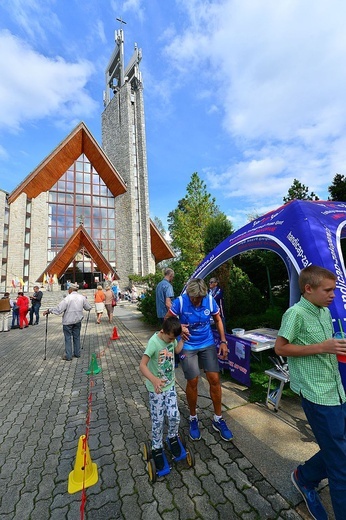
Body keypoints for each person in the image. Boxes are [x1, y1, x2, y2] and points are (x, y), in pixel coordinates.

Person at [275, 265, 346, 520]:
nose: (332, 295)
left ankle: (304, 477)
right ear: (308, 288)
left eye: (334, 290)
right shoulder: (295, 314)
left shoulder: (324, 312)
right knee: (341, 468)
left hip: (336, 390)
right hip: (317, 396)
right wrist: (321, 347)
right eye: (328, 290)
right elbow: (280, 349)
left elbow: (327, 348)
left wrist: (332, 348)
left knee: (338, 449)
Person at [165, 278, 233, 442]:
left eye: (199, 298)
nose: (196, 301)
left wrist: (223, 341)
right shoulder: (180, 302)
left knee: (214, 379)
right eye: (194, 298)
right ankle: (193, 418)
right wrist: (179, 329)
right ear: (189, 294)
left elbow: (218, 320)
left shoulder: (209, 300)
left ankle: (218, 418)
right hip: (188, 346)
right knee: (193, 381)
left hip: (207, 343)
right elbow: (167, 320)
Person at [139, 316, 184, 470]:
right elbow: (142, 365)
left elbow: (177, 350)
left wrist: (182, 339)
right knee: (158, 420)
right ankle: (156, 446)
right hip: (156, 389)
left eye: (174, 339)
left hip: (170, 386)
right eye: (170, 338)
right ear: (163, 331)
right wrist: (154, 380)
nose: (172, 341)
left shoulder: (172, 339)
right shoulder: (154, 342)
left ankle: (172, 437)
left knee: (174, 415)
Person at [43, 282, 91, 361]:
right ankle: (77, 353)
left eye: (68, 289)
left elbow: (59, 310)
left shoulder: (68, 298)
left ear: (71, 289)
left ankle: (68, 356)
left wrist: (49, 310)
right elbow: (88, 307)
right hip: (77, 321)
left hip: (68, 321)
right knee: (77, 337)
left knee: (68, 338)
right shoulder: (82, 297)